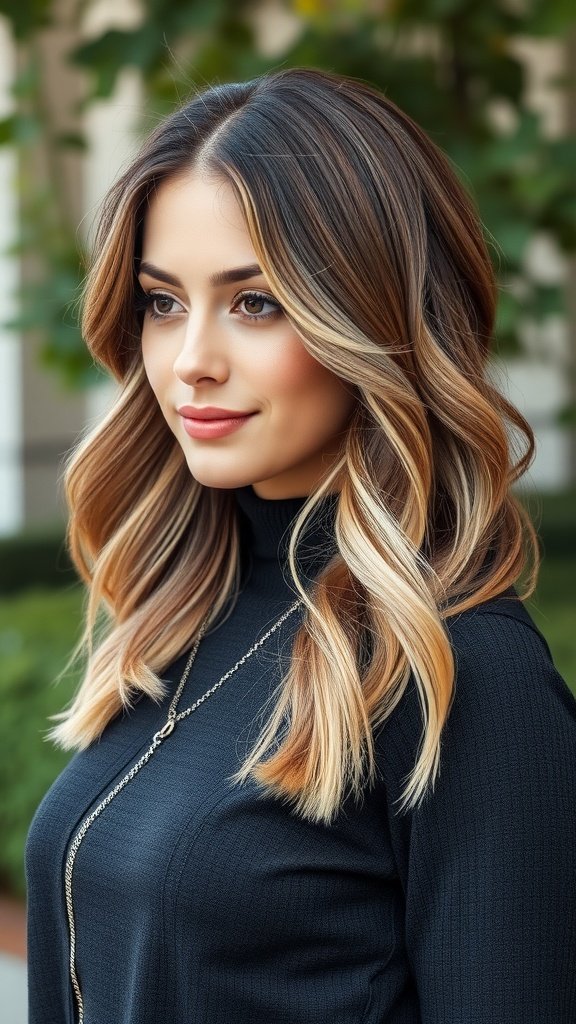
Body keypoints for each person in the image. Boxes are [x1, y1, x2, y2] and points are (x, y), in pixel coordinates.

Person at [26, 66, 576, 1023]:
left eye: (256, 302)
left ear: (370, 320)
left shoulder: (467, 675)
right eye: (163, 301)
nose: (191, 357)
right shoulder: (179, 616)